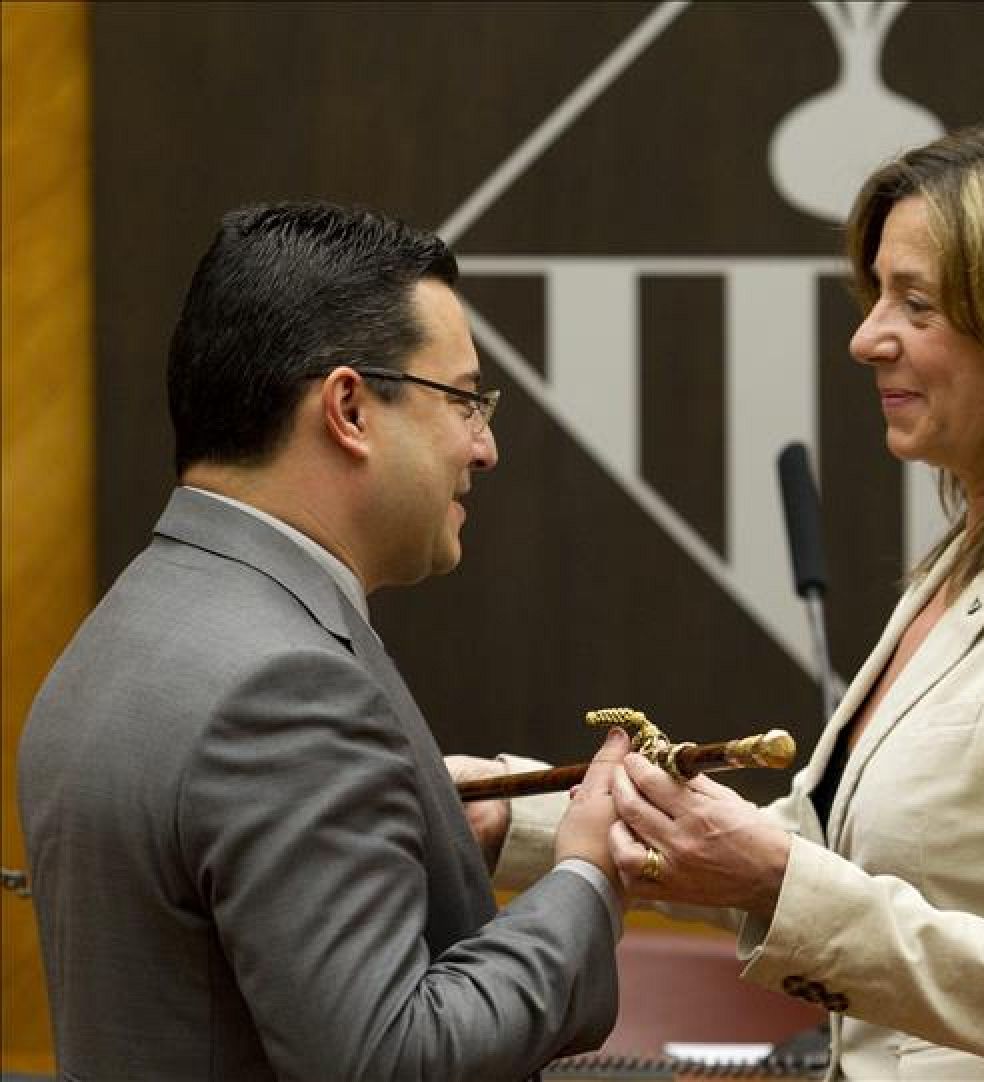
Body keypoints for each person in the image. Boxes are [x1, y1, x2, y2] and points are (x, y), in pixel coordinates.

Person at [454, 115, 984, 1081]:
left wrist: (777, 878)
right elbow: (827, 858)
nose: (868, 339)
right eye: (877, 299)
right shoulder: (968, 574)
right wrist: (506, 816)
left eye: (917, 305)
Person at [18, 201, 629, 1082]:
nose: (484, 446)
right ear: (348, 407)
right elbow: (394, 1060)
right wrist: (586, 879)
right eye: (465, 401)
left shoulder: (123, 630)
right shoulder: (284, 686)